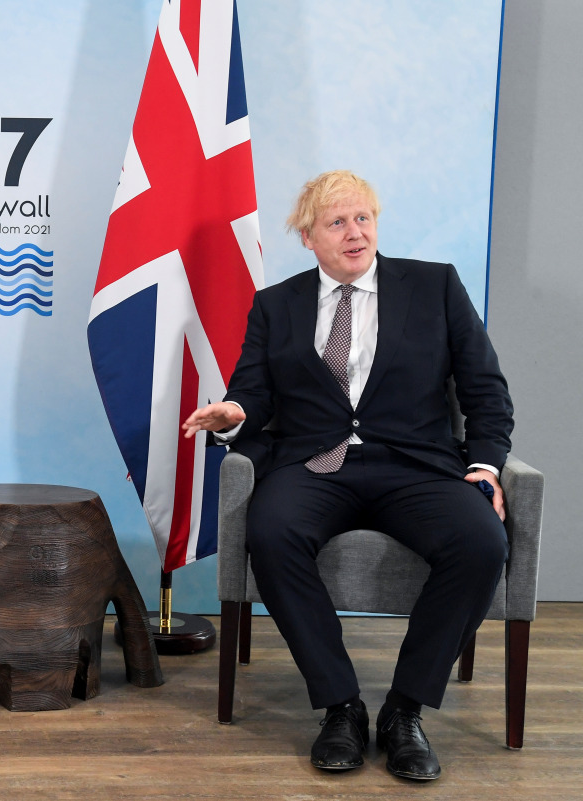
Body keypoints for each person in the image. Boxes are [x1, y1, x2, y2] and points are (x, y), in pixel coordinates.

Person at [184, 170, 512, 782]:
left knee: (482, 542)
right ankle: (340, 707)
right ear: (308, 237)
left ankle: (404, 712)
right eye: (337, 222)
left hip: (415, 465)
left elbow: (485, 390)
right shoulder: (276, 304)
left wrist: (485, 465)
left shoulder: (435, 286)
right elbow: (251, 390)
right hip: (315, 465)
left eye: (364, 218)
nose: (355, 233)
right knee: (272, 532)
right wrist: (233, 413)